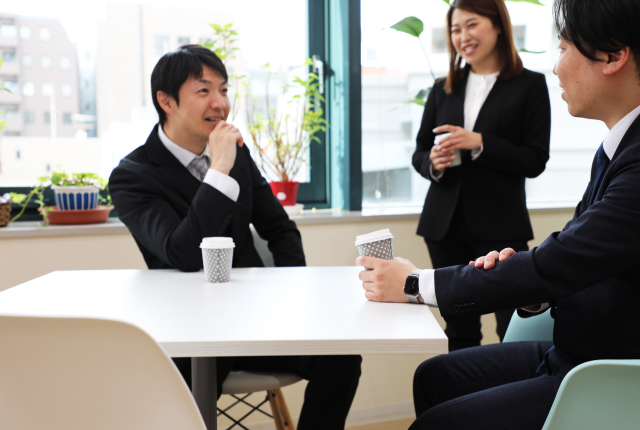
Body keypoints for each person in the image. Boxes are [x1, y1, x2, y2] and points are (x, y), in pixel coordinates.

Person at [356, 0, 640, 427]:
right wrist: (535, 292)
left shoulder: (629, 158)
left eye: (563, 48)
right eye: (455, 29)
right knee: (435, 375)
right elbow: (580, 251)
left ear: (614, 55)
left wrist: (414, 284)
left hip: (604, 366)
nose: (556, 67)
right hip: (569, 343)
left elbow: (561, 256)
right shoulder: (616, 148)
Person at [109, 45, 361, 429]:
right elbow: (182, 253)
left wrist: (292, 291)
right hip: (187, 329)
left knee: (341, 357)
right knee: (180, 401)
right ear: (167, 101)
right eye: (204, 90)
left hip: (255, 319)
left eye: (223, 90)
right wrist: (219, 170)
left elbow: (280, 230)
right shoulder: (133, 176)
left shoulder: (237, 154)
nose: (220, 103)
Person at [413, 0, 551, 352]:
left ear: (498, 25)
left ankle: (516, 388)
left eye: (471, 25)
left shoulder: (530, 85)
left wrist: (480, 142)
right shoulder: (442, 87)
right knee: (459, 329)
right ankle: (459, 389)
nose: (463, 36)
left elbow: (535, 160)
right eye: (455, 30)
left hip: (501, 227)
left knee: (513, 326)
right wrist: (434, 162)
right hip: (444, 226)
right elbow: (419, 153)